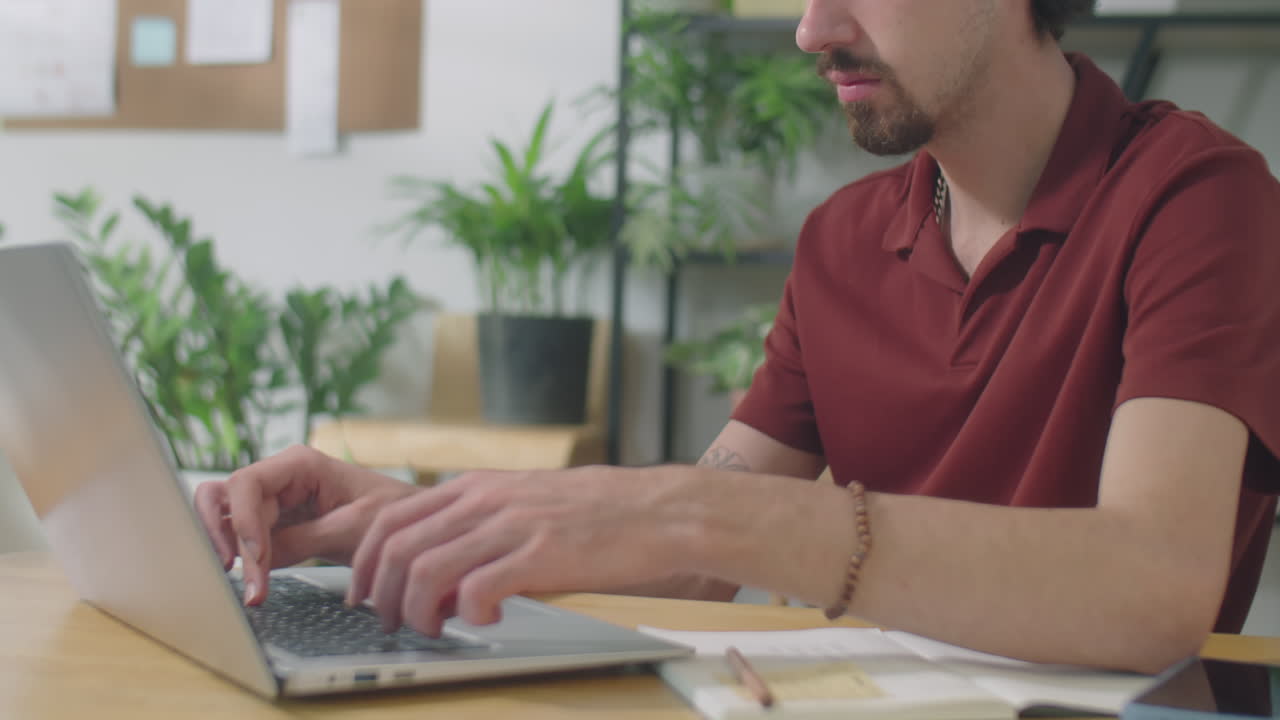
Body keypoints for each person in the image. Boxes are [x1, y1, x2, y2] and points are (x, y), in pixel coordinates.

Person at [196, 0, 1280, 674]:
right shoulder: (842, 242)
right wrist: (396, 516)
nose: (811, 30)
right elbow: (689, 568)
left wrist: (714, 515)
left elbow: (1153, 585)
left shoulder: (1194, 196)